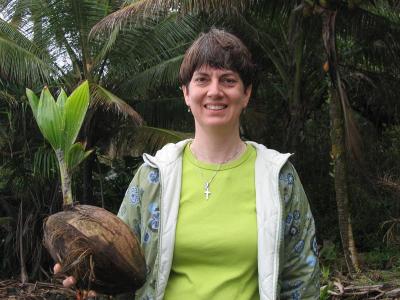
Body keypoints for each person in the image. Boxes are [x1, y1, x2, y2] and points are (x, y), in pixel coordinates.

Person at [58, 28, 320, 299]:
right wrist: (89, 277)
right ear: (186, 92)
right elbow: (120, 261)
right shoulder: (153, 178)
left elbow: (302, 277)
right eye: (202, 80)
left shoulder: (278, 177)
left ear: (246, 94)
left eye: (228, 80)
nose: (215, 91)